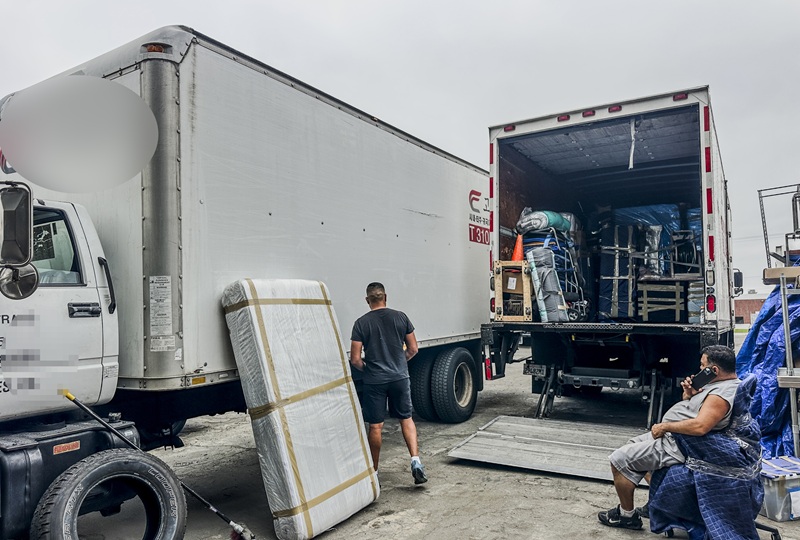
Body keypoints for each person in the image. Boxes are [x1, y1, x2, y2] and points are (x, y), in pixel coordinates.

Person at [598, 345, 740, 530]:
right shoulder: (717, 384)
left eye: (702, 366)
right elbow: (693, 412)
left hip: (680, 443)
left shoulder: (720, 395)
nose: (699, 370)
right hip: (675, 436)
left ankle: (626, 516)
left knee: (619, 460)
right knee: (632, 445)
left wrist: (665, 426)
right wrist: (689, 395)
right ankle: (656, 503)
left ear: (714, 370)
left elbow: (700, 426)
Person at [350, 282, 427, 484]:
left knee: (375, 427)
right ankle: (416, 461)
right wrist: (399, 363)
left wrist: (370, 370)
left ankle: (374, 472)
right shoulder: (400, 317)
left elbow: (355, 359)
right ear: (386, 297)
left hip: (375, 380)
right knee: (406, 418)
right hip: (399, 377)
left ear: (367, 300)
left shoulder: (361, 323)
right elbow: (413, 349)